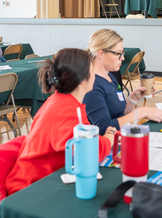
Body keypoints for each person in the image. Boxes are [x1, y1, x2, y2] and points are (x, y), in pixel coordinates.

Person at [6, 48, 115, 195]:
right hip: (29, 190)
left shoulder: (59, 100)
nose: (95, 74)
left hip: (30, 180)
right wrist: (109, 138)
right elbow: (87, 154)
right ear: (82, 79)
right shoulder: (68, 110)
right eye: (92, 69)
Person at [83, 29, 162, 135]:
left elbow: (120, 113)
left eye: (122, 53)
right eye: (118, 53)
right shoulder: (92, 85)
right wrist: (142, 112)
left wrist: (134, 97)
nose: (123, 58)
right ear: (101, 53)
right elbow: (104, 128)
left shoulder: (110, 75)